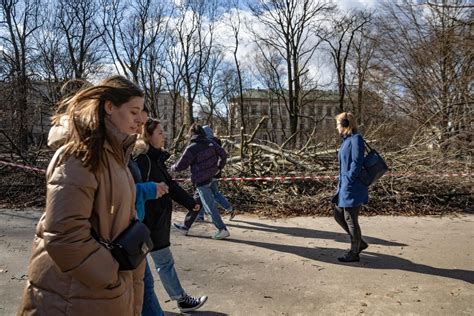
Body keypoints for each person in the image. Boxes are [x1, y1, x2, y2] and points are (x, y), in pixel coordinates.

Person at [18, 75, 148, 315]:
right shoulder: (80, 156)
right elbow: (65, 236)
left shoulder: (117, 159)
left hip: (99, 295)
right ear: (110, 107)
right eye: (134, 111)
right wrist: (112, 276)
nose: (141, 119)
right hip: (73, 297)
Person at [134, 118, 208, 313]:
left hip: (156, 221)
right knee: (160, 265)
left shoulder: (155, 159)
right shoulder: (143, 161)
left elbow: (171, 186)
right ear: (147, 137)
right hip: (149, 223)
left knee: (150, 270)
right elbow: (132, 190)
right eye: (159, 132)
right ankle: (181, 300)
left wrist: (190, 203)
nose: (163, 135)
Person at [171, 124, 229, 240]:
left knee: (209, 207)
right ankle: (186, 226)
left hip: (201, 180)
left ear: (191, 133)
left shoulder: (192, 147)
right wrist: (219, 167)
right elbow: (223, 154)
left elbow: (181, 165)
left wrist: (171, 168)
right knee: (196, 203)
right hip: (211, 176)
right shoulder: (210, 143)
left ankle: (222, 229)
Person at [332, 112, 369, 263]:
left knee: (350, 218)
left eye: (338, 124)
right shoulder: (347, 140)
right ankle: (360, 243)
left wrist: (349, 179)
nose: (337, 127)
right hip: (345, 186)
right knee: (338, 213)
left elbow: (357, 162)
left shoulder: (356, 139)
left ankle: (354, 252)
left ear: (346, 125)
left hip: (352, 186)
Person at [194, 125, 234, 222]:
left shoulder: (206, 143)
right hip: (214, 173)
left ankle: (200, 216)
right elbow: (222, 157)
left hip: (206, 174)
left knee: (201, 194)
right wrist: (219, 168)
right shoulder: (217, 143)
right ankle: (230, 208)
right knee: (214, 193)